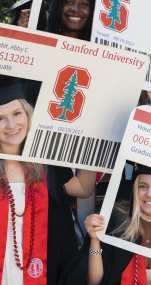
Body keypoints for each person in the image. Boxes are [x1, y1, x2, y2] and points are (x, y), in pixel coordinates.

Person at [0, 78, 96, 284]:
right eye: (1, 118)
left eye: (17, 113)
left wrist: (93, 143)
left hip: (41, 273)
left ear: (28, 113)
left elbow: (82, 188)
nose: (11, 125)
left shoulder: (46, 164)